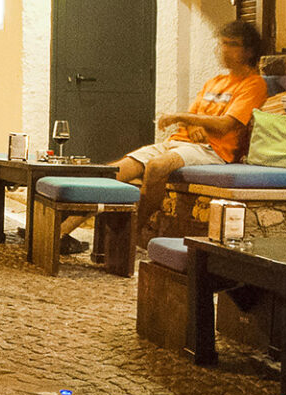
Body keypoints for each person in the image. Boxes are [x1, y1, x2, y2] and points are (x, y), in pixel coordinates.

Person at [113, 19, 268, 249]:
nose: (224, 50)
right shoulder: (214, 82)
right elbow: (192, 117)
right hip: (180, 143)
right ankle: (64, 231)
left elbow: (225, 125)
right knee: (114, 171)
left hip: (213, 151)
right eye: (222, 43)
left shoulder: (253, 84)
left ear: (249, 51)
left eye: (232, 44)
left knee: (156, 166)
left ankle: (132, 233)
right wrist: (192, 125)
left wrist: (181, 118)